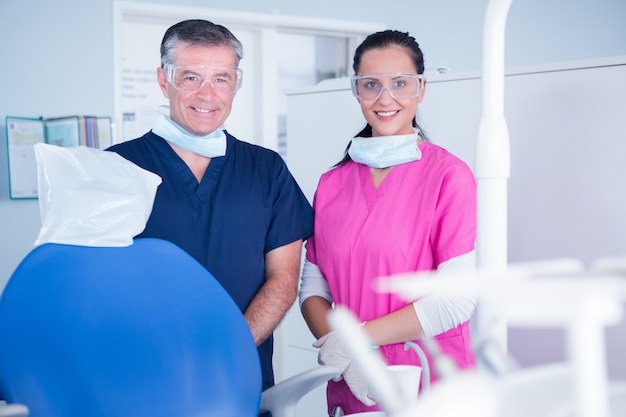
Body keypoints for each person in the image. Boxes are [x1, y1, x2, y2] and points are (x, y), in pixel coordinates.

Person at [107, 19, 314, 394]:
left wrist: (230, 349)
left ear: (236, 85)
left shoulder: (266, 170)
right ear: (162, 79)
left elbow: (283, 278)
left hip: (239, 378)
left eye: (221, 78)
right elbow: (95, 284)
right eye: (190, 77)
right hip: (144, 380)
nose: (207, 94)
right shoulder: (114, 168)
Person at [299, 29, 477, 415]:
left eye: (400, 83)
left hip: (432, 383)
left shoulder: (449, 175)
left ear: (421, 88)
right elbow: (313, 287)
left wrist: (357, 341)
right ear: (356, 90)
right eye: (371, 85)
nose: (385, 98)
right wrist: (342, 351)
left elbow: (457, 299)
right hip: (354, 383)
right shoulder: (332, 184)